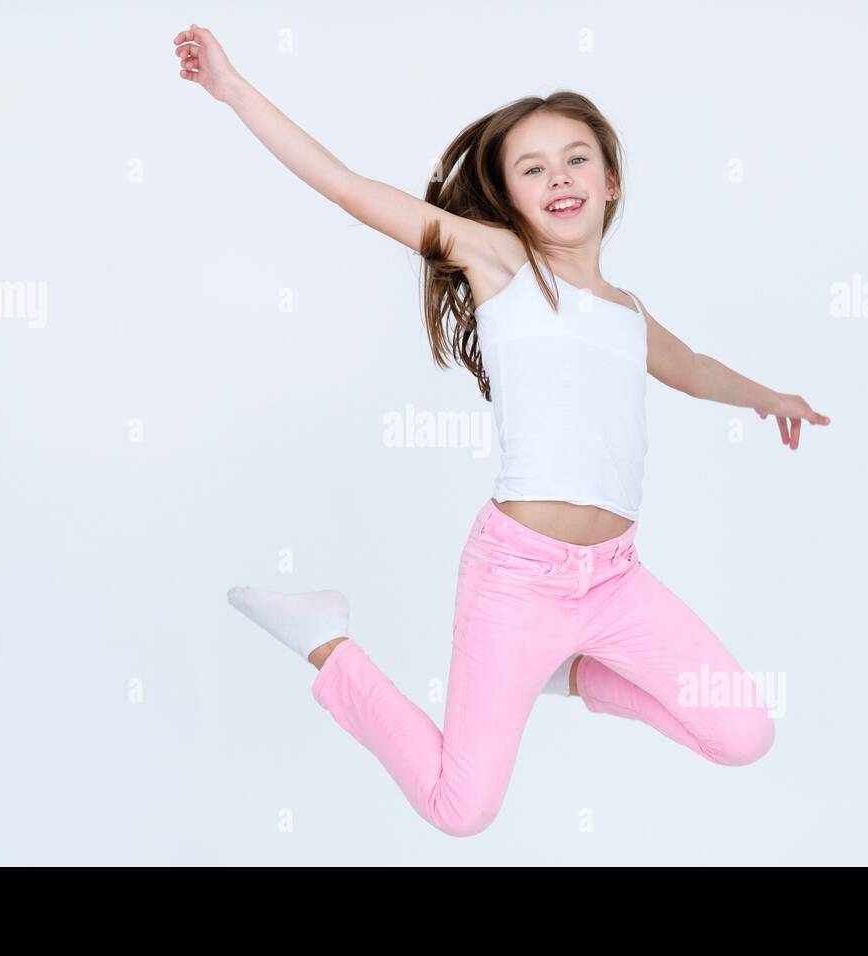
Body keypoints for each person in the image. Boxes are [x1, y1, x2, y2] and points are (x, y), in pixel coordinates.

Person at [174, 24, 831, 838]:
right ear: (512, 199)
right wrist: (233, 88)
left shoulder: (628, 314)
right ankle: (326, 641)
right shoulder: (501, 265)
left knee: (743, 733)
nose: (559, 177)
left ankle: (573, 674)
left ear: (612, 181)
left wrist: (770, 398)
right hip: (517, 581)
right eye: (533, 168)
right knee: (463, 809)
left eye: (576, 157)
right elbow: (347, 187)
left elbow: (692, 367)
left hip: (618, 581)